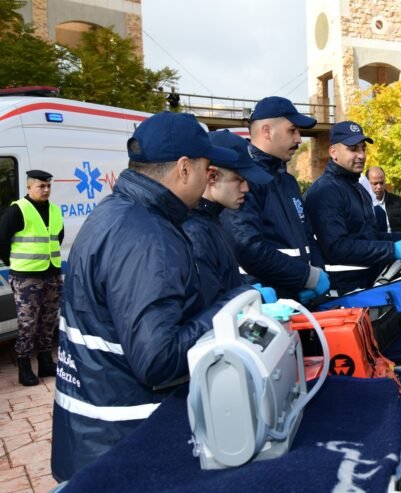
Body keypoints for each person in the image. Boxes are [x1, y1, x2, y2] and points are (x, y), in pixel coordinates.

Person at [50, 112, 248, 481]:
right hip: (125, 445)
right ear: (184, 168)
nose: (210, 178)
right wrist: (229, 308)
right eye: (207, 168)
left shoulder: (113, 213)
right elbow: (158, 359)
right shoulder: (147, 235)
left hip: (90, 436)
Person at [304, 121, 401, 294]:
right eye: (353, 149)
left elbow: (368, 236)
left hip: (369, 284)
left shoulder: (358, 188)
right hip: (344, 290)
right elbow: (336, 247)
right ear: (333, 152)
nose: (361, 155)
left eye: (363, 148)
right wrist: (393, 250)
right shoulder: (325, 191)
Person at [220, 96, 329, 302]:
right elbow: (248, 247)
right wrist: (307, 277)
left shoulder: (288, 182)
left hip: (301, 296)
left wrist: (318, 274)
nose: (299, 139)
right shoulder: (243, 180)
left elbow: (307, 237)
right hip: (270, 302)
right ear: (267, 131)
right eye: (292, 130)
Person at [182, 130, 276, 306]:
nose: (246, 188)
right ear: (212, 176)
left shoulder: (211, 219)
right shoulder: (195, 231)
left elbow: (222, 278)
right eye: (239, 180)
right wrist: (250, 294)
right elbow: (209, 304)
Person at [0, 170, 63, 386]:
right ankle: (24, 367)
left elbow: (57, 237)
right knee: (27, 323)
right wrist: (14, 264)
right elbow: (2, 239)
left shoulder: (54, 210)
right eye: (41, 186)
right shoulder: (18, 210)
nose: (46, 190)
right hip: (27, 277)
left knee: (49, 320)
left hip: (52, 274)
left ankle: (46, 362)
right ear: (29, 188)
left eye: (48, 186)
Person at [366, 166, 401, 233]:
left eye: (381, 183)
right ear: (367, 183)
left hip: (395, 242)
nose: (379, 187)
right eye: (375, 183)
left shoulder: (396, 201)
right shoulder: (361, 204)